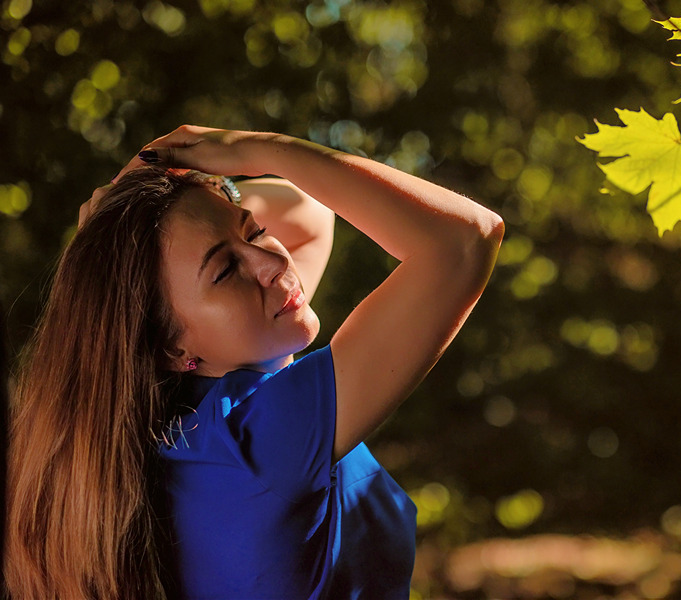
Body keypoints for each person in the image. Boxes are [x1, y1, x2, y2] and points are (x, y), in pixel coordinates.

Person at [4, 125, 504, 599]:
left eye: (256, 231)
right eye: (224, 271)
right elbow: (464, 240)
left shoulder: (180, 421)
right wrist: (255, 150)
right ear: (171, 348)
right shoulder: (258, 437)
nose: (272, 261)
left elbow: (310, 217)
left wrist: (145, 211)